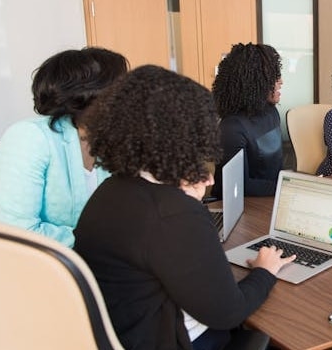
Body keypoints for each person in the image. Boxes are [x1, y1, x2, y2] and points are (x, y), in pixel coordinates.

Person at [74, 65, 296, 350]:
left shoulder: (109, 191)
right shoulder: (172, 213)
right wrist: (265, 271)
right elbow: (228, 312)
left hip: (127, 334)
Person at [0, 47, 128, 247]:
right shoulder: (30, 137)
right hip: (30, 260)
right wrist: (101, 239)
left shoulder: (111, 140)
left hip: (91, 256)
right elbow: (17, 232)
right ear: (89, 95)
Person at [211, 43, 284, 198]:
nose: (281, 81)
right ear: (255, 82)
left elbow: (275, 169)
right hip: (238, 203)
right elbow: (240, 186)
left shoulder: (271, 112)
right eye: (273, 77)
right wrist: (286, 187)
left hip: (270, 197)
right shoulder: (232, 128)